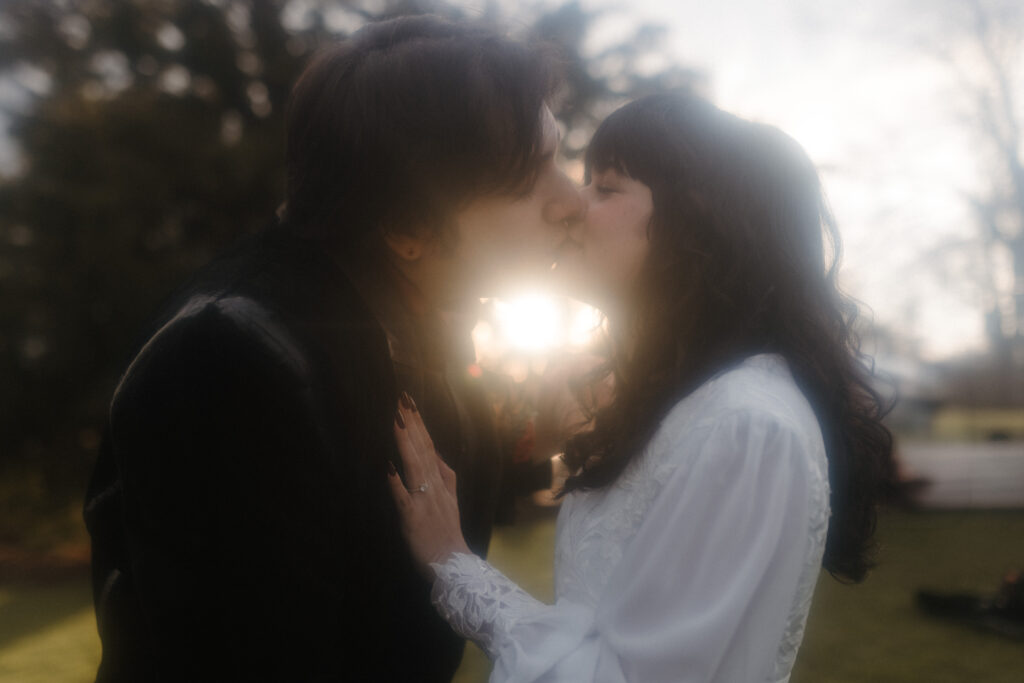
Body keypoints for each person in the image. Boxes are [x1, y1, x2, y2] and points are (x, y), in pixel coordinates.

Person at [84, 16, 582, 682]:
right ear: (409, 227)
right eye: (529, 181)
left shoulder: (415, 317)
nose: (574, 200)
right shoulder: (231, 360)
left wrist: (532, 440)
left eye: (560, 153)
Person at [387, 92, 897, 682]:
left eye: (605, 188)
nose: (574, 205)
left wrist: (454, 567)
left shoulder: (744, 426)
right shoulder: (684, 405)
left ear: (697, 226)